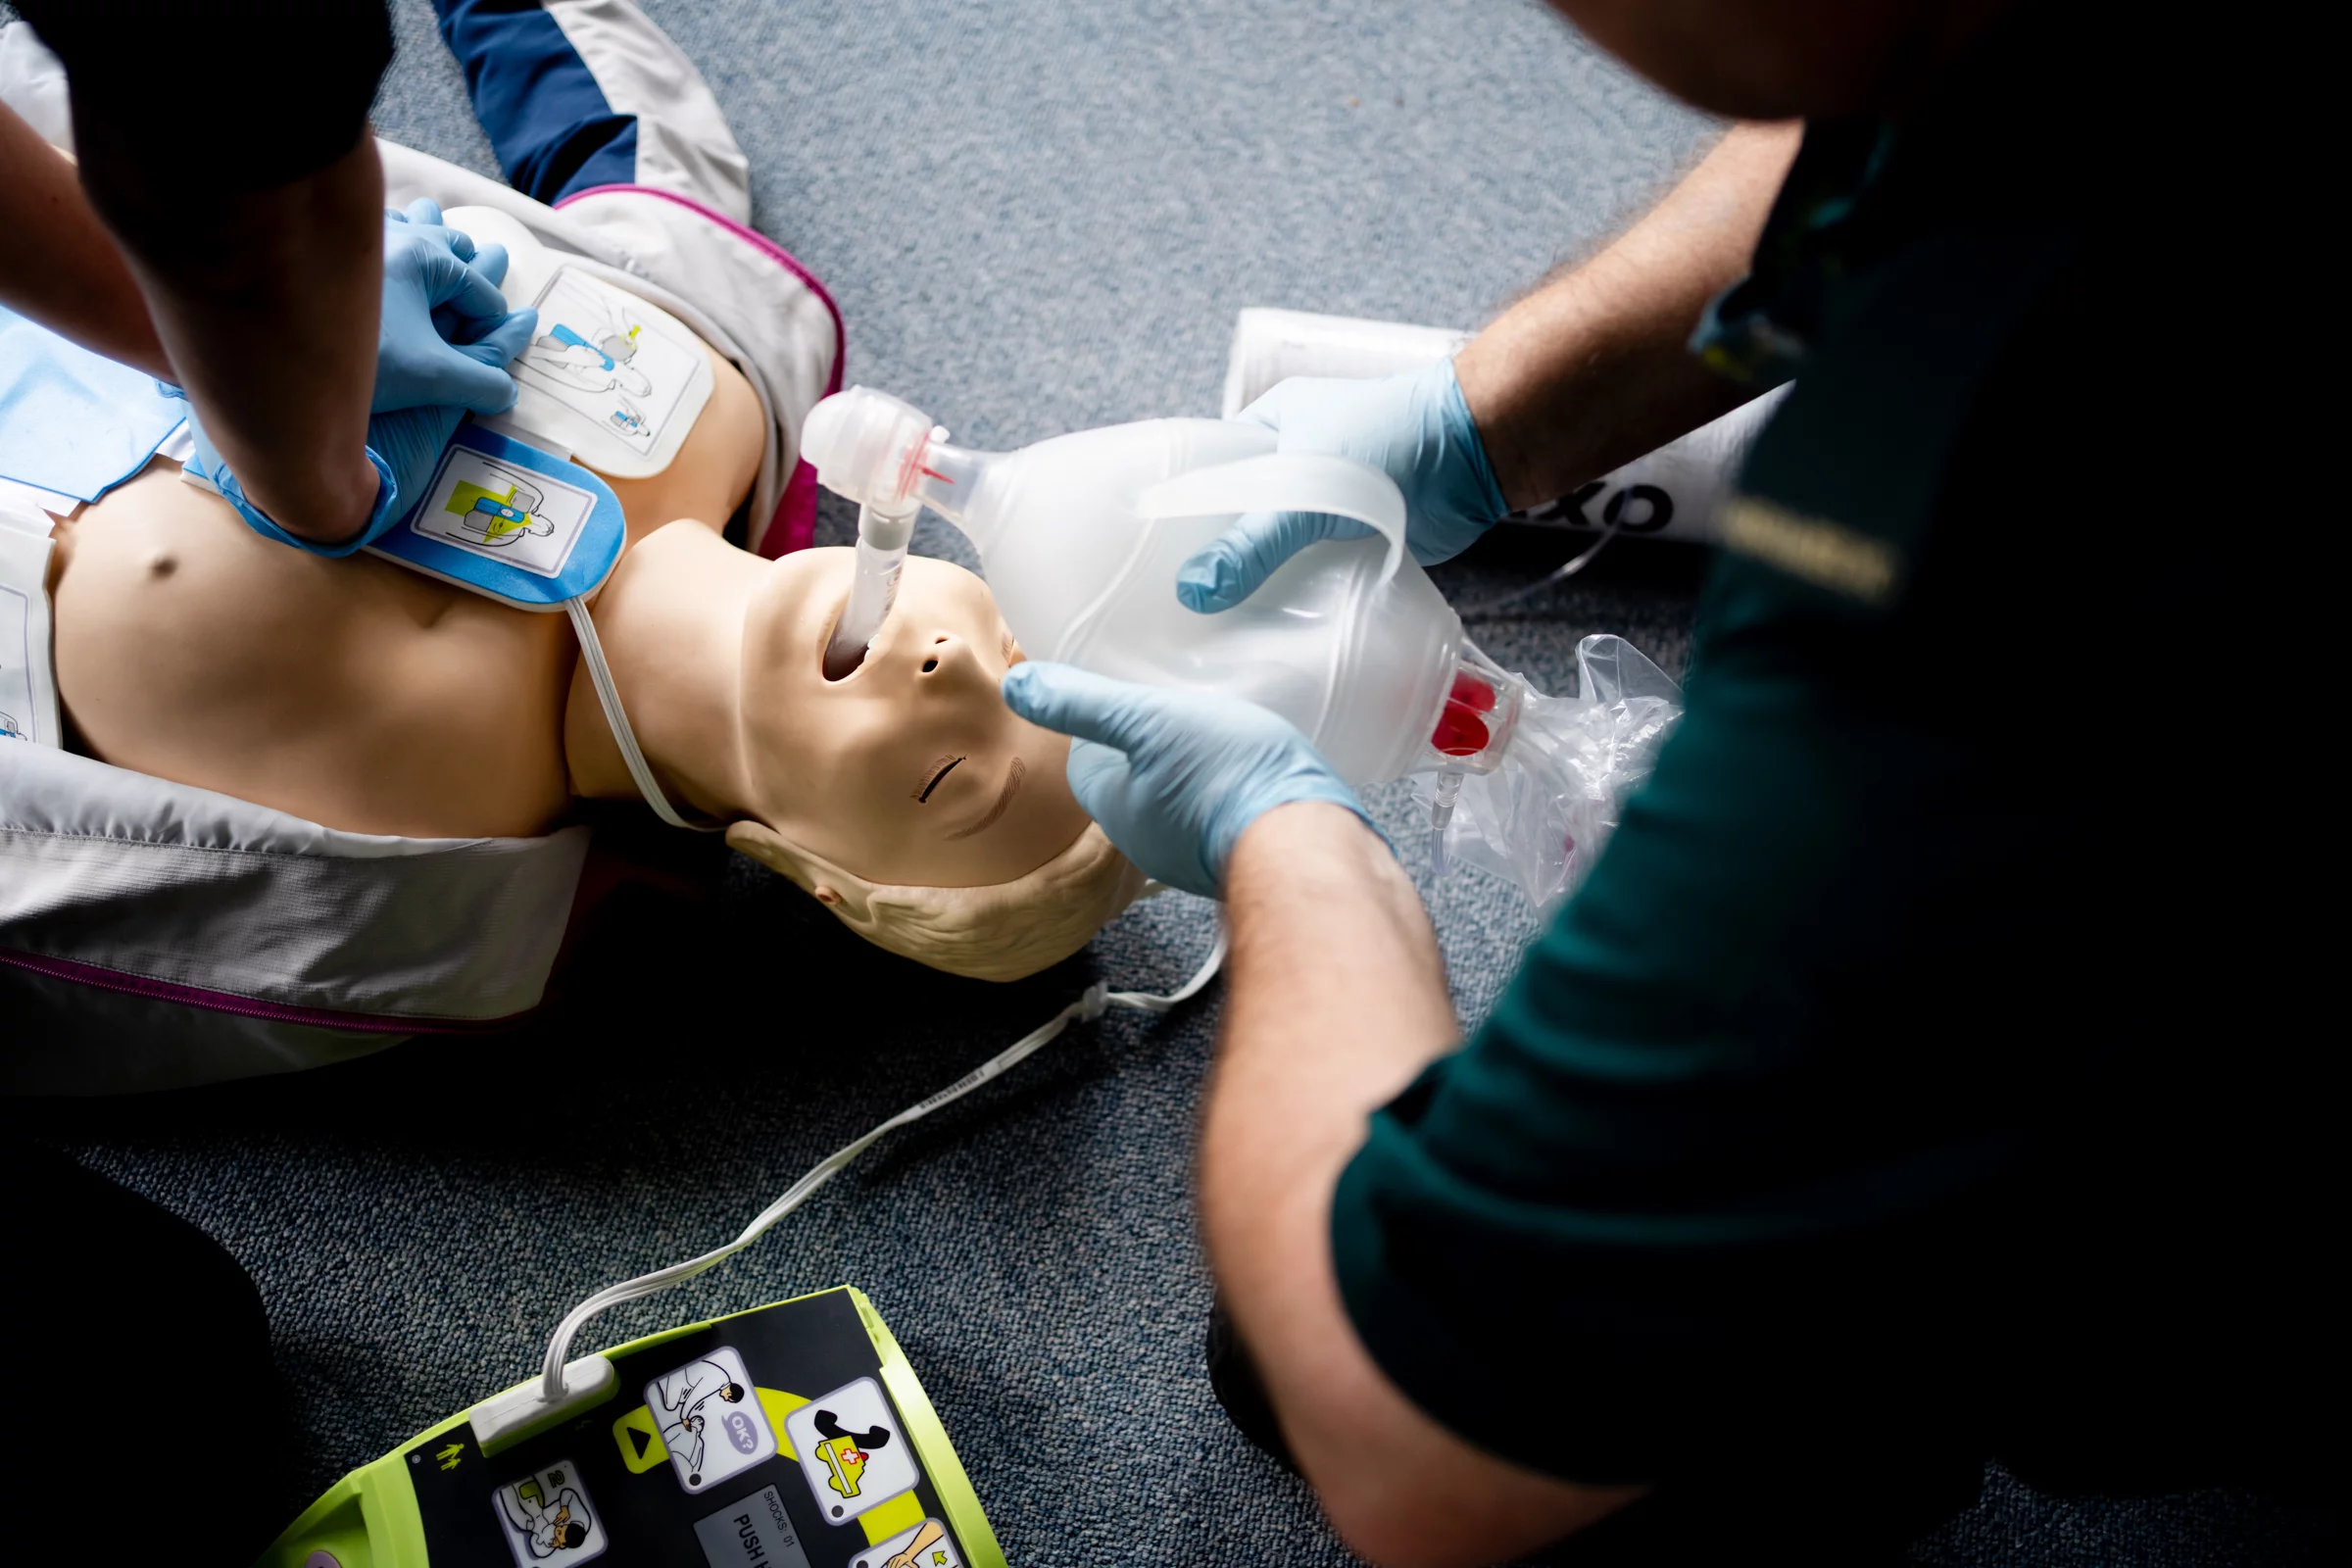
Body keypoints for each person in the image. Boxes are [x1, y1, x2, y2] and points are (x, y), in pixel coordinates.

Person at [1004, 1, 2322, 1561]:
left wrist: (1288, 835)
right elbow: (1885, 79)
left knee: (1313, 1347)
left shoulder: (1968, 543)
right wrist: (1488, 414)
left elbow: (1407, 1433)